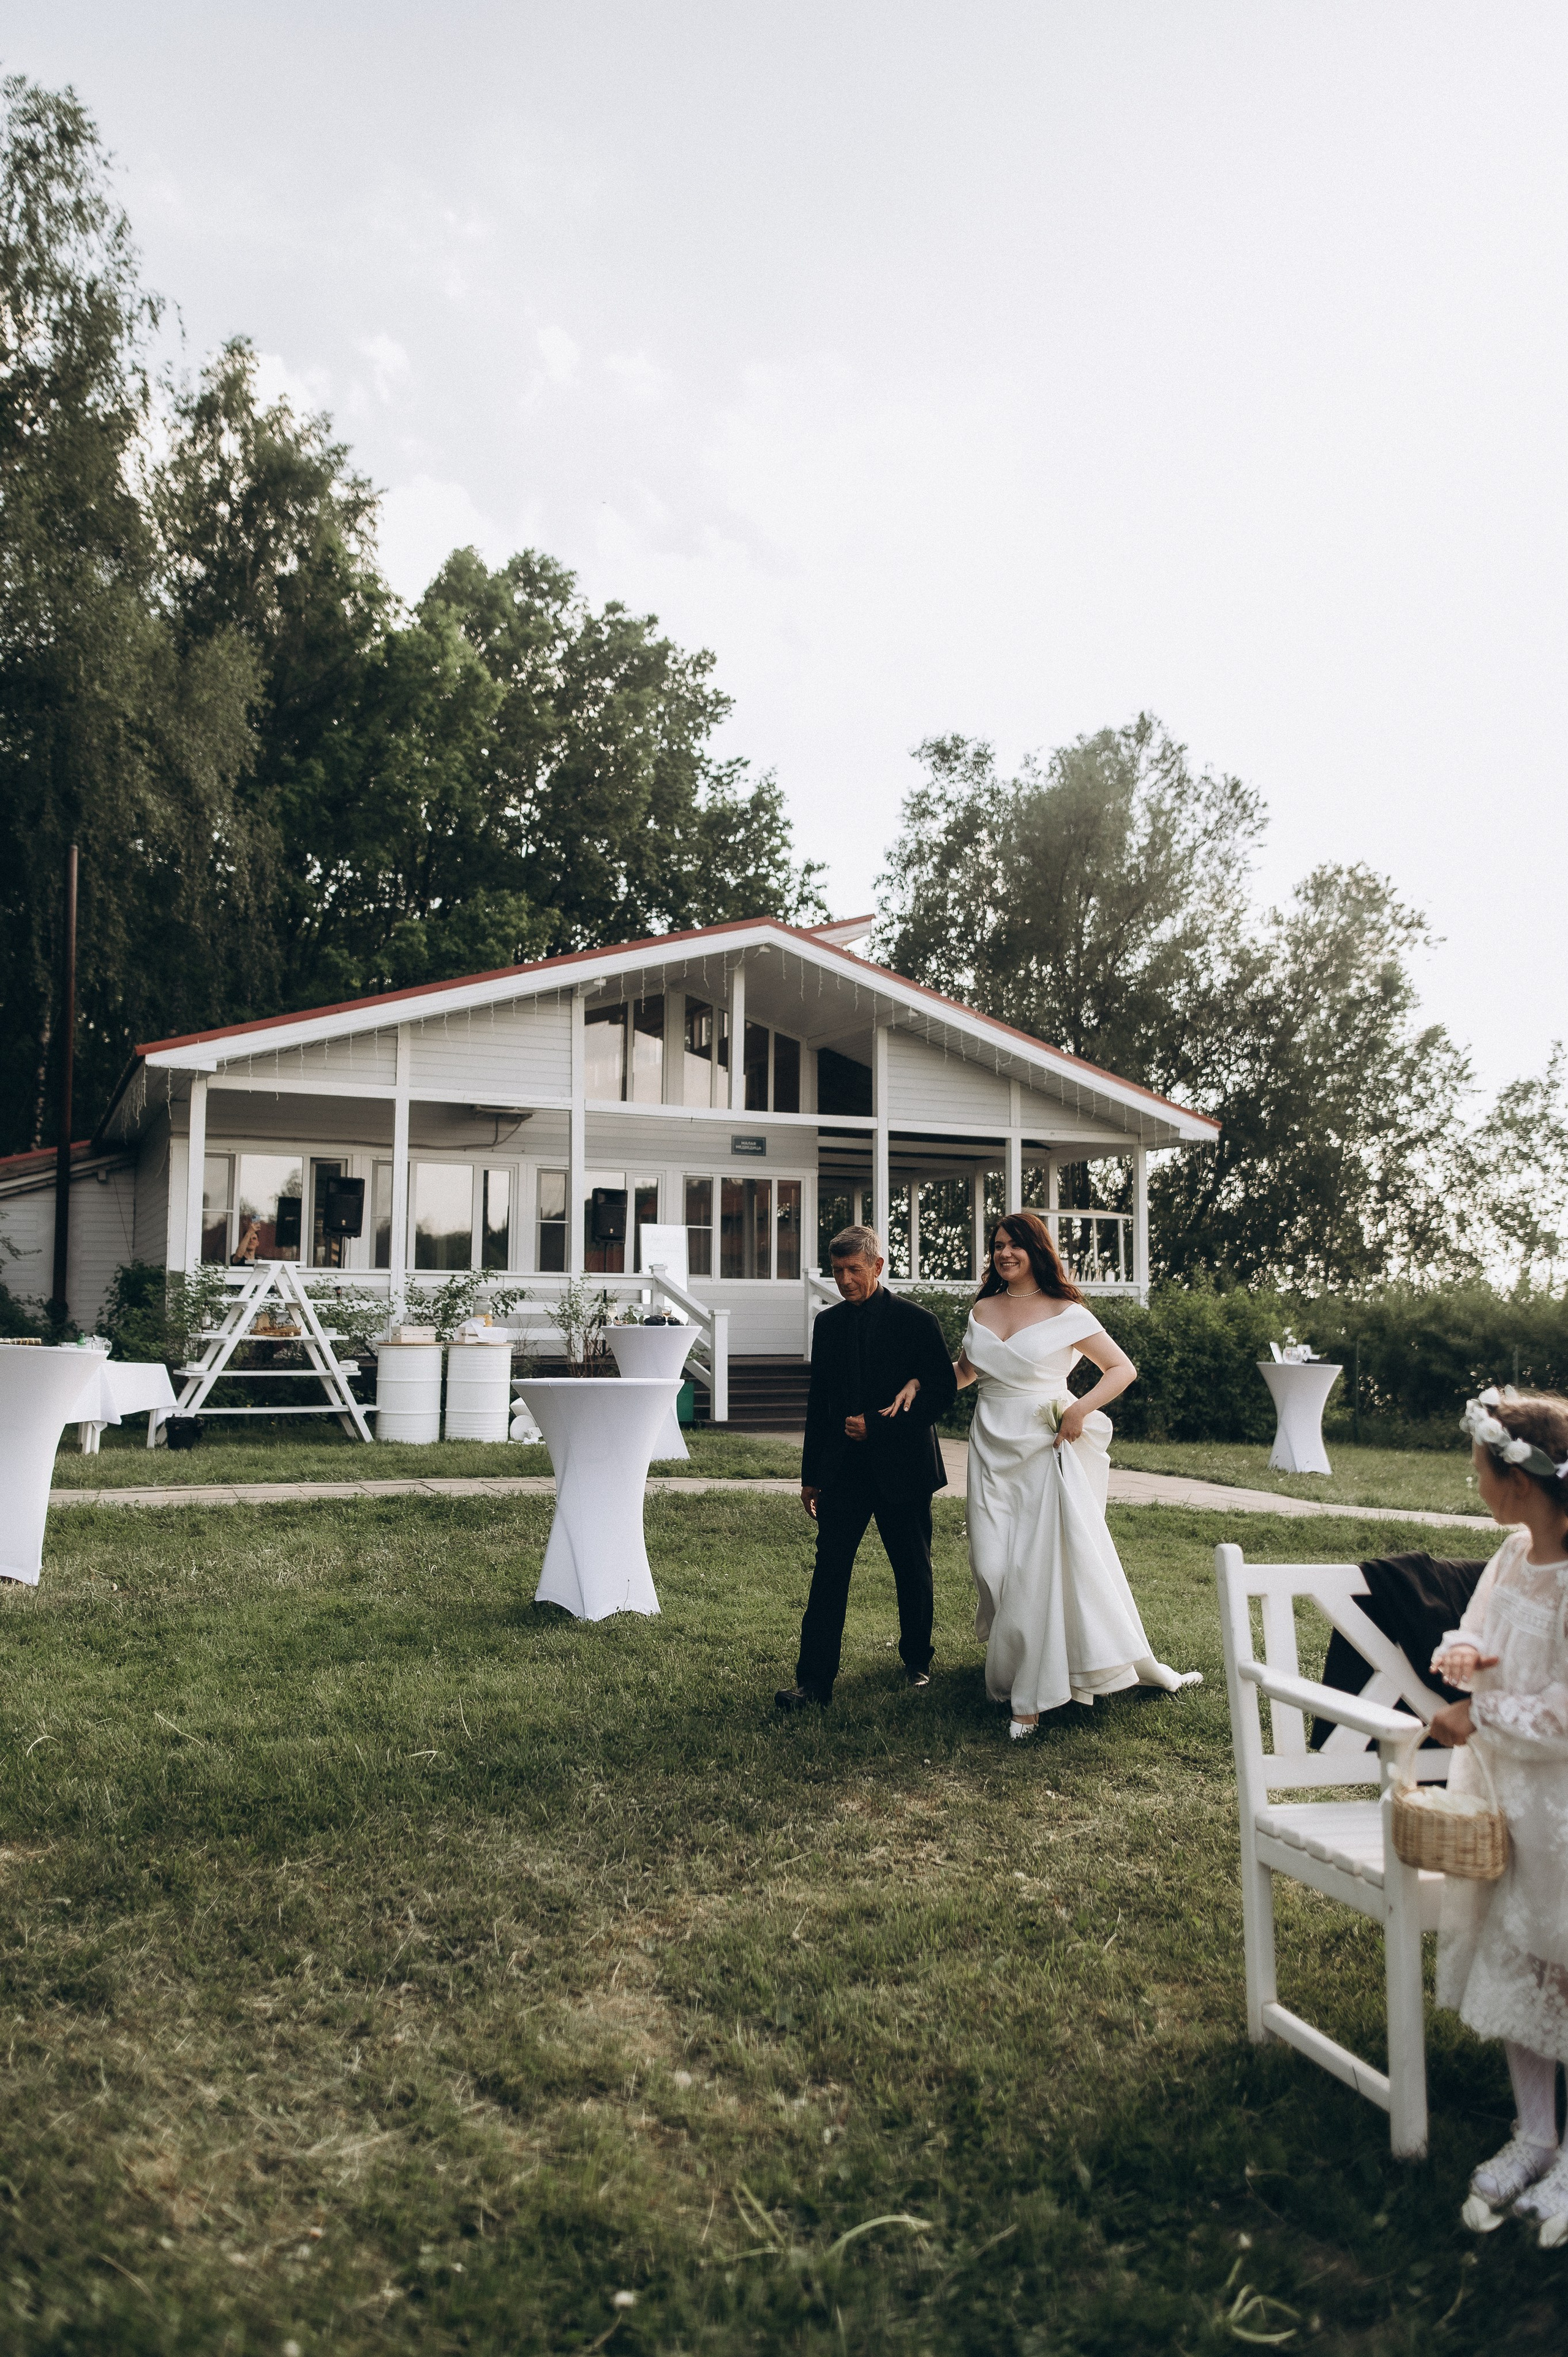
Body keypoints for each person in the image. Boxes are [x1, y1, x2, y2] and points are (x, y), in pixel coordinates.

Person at [953, 1210, 1200, 1738]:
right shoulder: (983, 1308)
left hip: (1044, 1448)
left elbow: (1122, 1369)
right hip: (990, 1447)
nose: (1004, 1253)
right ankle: (1030, 1662)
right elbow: (967, 1371)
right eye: (998, 1245)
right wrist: (917, 1384)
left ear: (1036, 1250)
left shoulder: (1068, 1312)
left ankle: (1030, 1698)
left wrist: (1079, 1409)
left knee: (1035, 1568)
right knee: (991, 1562)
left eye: (1015, 1245)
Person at [1428, 1386, 1568, 2248]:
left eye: (1479, 1470)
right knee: (1517, 1956)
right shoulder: (1514, 1554)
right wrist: (1465, 1655)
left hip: (1561, 1806)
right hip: (1504, 1798)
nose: (1474, 1483)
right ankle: (1536, 2131)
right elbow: (1474, 1627)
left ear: (1517, 1481)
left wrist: (1480, 1712)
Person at [775, 1224, 957, 1710]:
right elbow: (819, 1403)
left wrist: (877, 1428)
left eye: (854, 1269)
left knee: (912, 1569)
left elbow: (942, 1393)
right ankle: (813, 1684)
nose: (845, 1280)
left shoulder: (918, 1322)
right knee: (829, 1574)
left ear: (877, 1266)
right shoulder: (827, 1324)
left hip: (905, 1469)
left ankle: (917, 1662)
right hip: (842, 1473)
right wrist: (811, 1475)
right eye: (837, 1271)